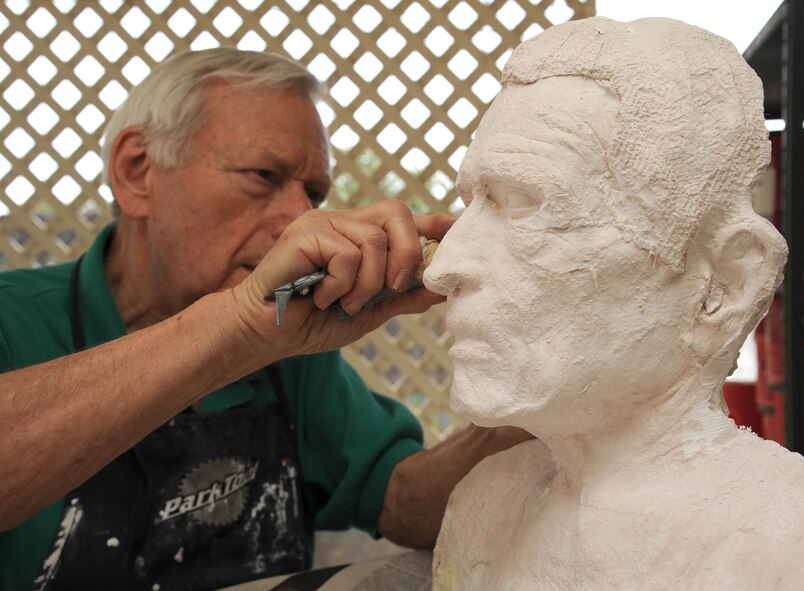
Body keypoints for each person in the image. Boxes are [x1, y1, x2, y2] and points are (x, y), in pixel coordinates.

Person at [0, 48, 531, 590]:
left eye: (315, 193)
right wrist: (235, 328)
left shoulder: (289, 342)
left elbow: (404, 500)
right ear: (137, 171)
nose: (299, 218)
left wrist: (533, 386)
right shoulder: (12, 318)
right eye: (263, 175)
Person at [424, 17, 804, 590]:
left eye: (525, 203)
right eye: (472, 202)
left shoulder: (786, 548)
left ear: (722, 286)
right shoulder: (482, 508)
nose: (442, 268)